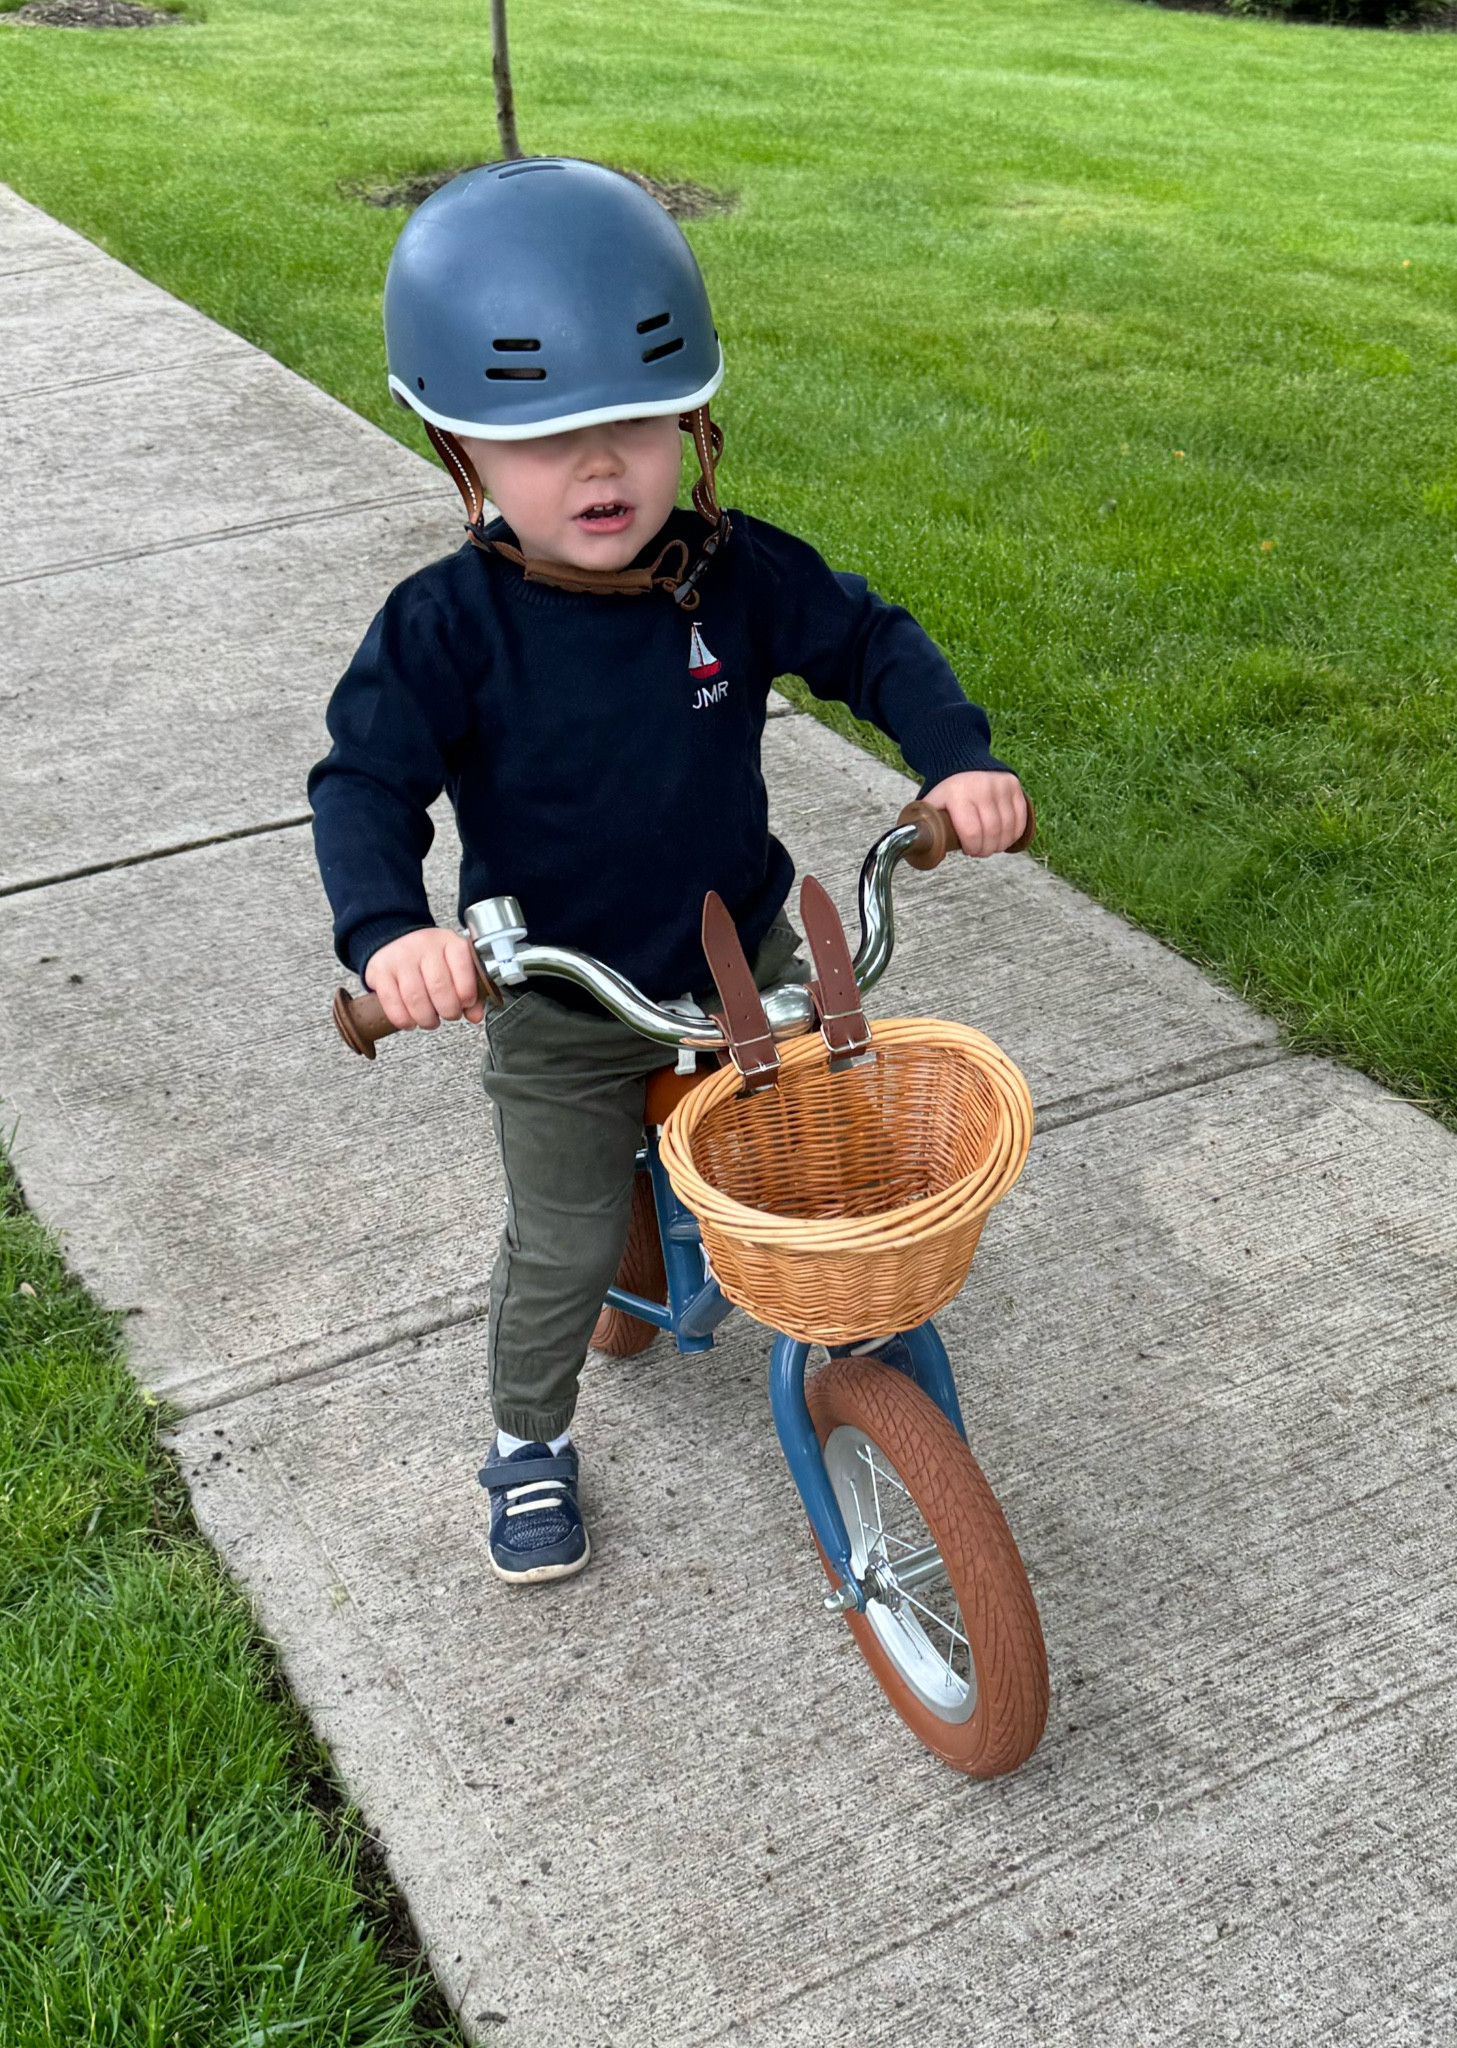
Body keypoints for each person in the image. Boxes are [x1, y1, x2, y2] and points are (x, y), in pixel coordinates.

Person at [309, 158, 1029, 1586]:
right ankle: (524, 1440)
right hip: (563, 1000)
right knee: (568, 1241)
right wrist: (393, 931)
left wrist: (952, 758)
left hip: (737, 959)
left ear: (691, 420)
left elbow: (870, 641)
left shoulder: (730, 576)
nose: (598, 468)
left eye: (636, 424)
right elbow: (365, 780)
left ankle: (842, 1317)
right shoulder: (448, 627)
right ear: (459, 451)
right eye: (541, 440)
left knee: (836, 1168)